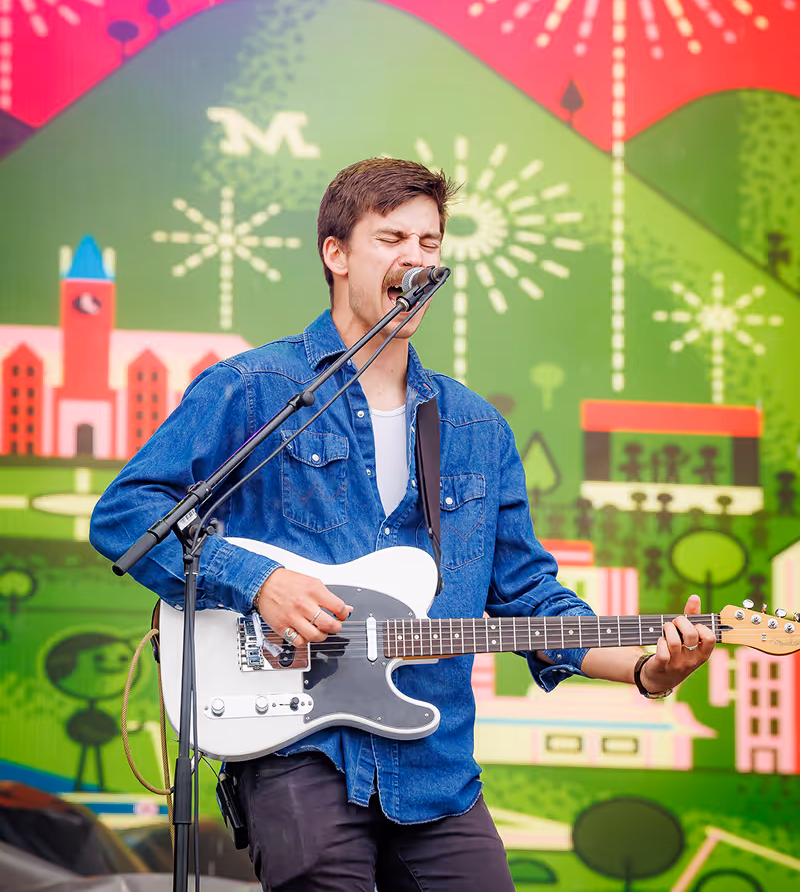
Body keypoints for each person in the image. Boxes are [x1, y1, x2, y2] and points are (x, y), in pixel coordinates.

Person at [90, 158, 715, 891]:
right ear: (336, 253)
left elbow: (529, 599)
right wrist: (261, 583)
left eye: (429, 242)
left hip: (434, 767)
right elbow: (128, 514)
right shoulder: (255, 389)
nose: (416, 258)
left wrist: (647, 669)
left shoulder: (475, 428)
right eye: (392, 238)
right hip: (297, 751)